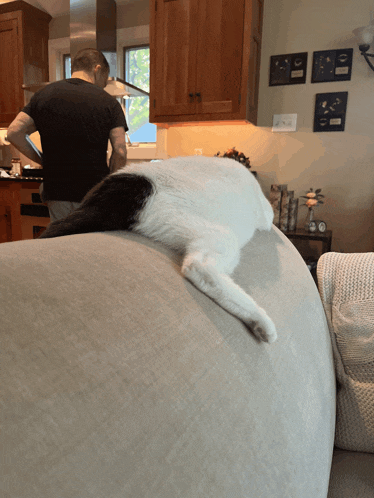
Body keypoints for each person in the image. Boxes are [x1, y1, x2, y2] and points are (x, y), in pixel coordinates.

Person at [7, 48, 128, 222]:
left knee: (62, 242)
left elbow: (14, 132)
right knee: (90, 242)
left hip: (57, 191)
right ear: (97, 69)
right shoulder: (109, 102)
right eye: (104, 79)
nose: (103, 86)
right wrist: (109, 188)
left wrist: (42, 159)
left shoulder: (43, 95)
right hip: (93, 192)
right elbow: (120, 151)